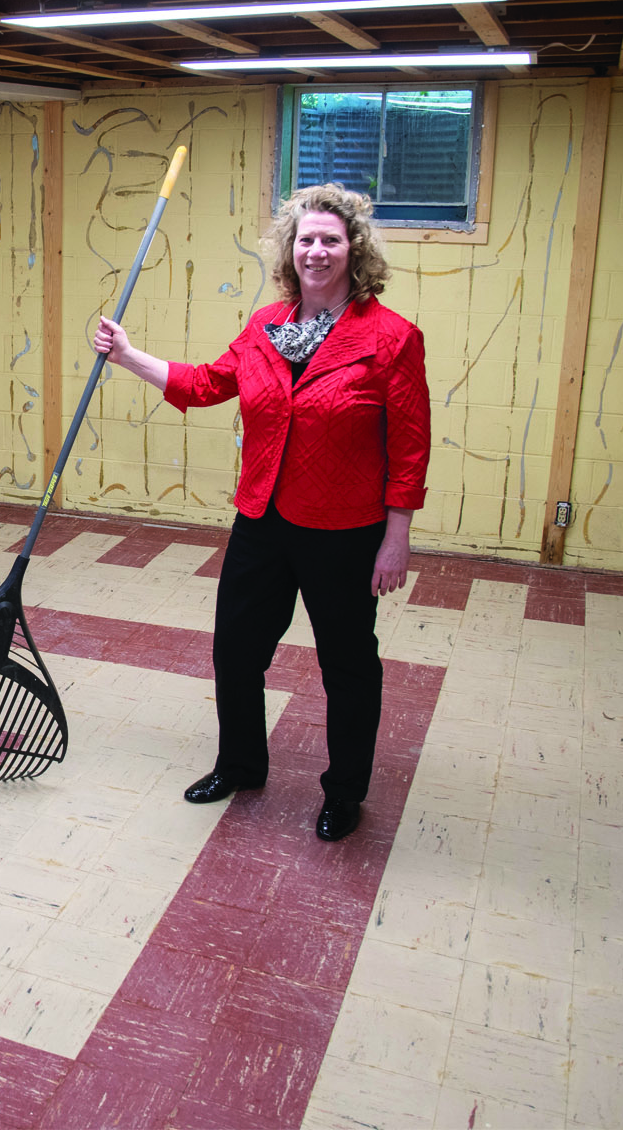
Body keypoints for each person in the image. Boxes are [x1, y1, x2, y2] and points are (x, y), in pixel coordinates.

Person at [90, 183, 428, 842]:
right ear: (290, 250)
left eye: (331, 239)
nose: (318, 251)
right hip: (263, 519)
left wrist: (397, 537)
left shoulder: (392, 339)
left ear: (354, 249)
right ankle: (241, 763)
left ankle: (344, 793)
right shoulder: (266, 326)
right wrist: (128, 355)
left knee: (348, 666)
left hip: (346, 529)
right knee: (236, 652)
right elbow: (210, 384)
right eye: (307, 239)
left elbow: (410, 446)